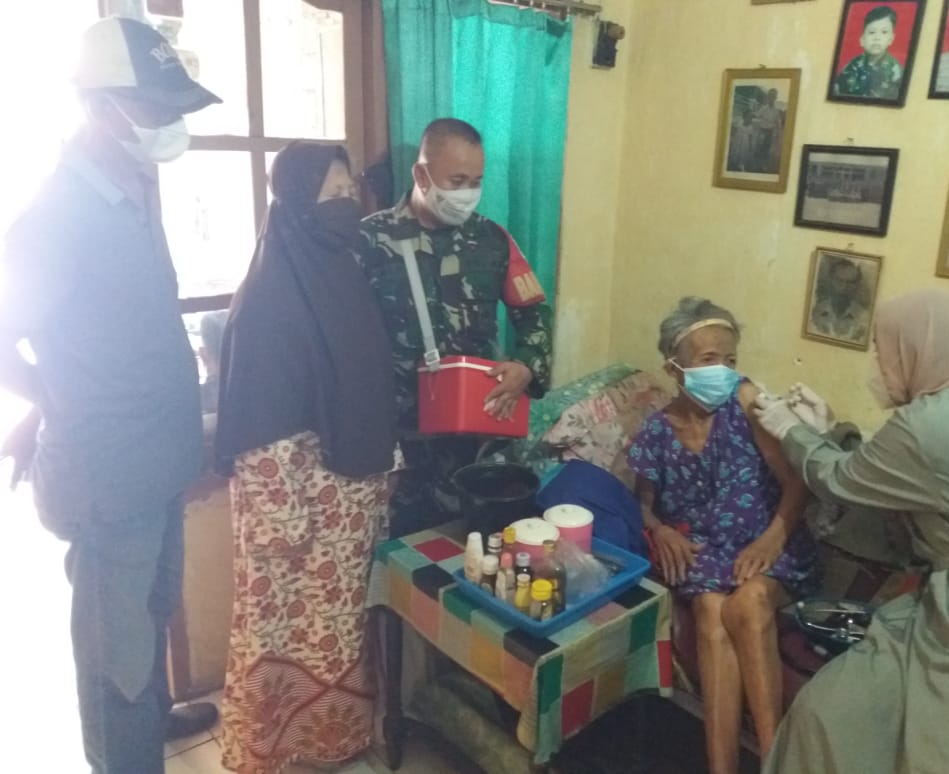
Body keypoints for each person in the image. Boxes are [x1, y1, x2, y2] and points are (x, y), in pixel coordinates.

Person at [0, 16, 219, 773]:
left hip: (158, 461)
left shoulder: (132, 187)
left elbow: (102, 328)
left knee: (151, 613)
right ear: (102, 108)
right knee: (112, 657)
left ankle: (149, 721)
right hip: (108, 477)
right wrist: (54, 400)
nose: (172, 123)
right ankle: (125, 755)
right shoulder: (55, 215)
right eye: (157, 108)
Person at [754, 288, 949, 773]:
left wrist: (790, 429)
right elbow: (917, 485)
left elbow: (837, 479)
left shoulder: (930, 424)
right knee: (829, 711)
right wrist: (826, 433)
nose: (880, 368)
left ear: (921, 349)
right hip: (942, 602)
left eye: (884, 352)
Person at [214, 142, 401, 773]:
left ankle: (332, 742)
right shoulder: (268, 297)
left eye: (350, 193)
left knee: (338, 629)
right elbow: (258, 416)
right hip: (292, 507)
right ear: (298, 205)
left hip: (348, 504)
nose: (348, 206)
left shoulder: (340, 272)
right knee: (280, 628)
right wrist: (284, 517)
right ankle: (270, 748)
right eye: (333, 195)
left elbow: (367, 380)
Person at [627, 297, 818, 774]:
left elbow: (798, 481)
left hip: (768, 544)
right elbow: (642, 503)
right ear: (673, 368)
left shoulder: (746, 403)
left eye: (730, 359)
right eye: (708, 359)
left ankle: (775, 760)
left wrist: (772, 538)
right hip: (707, 555)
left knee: (750, 602)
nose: (724, 371)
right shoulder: (656, 433)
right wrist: (660, 529)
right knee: (711, 610)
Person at [359, 118, 552, 533]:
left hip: (477, 438)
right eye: (457, 180)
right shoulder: (370, 242)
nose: (467, 193)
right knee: (402, 556)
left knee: (479, 547)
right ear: (421, 175)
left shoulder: (492, 240)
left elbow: (534, 312)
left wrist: (526, 365)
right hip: (400, 445)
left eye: (476, 181)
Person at [833, 6, 904, 100]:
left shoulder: (896, 72)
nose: (877, 38)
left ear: (891, 39)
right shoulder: (851, 66)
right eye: (872, 32)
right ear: (862, 40)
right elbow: (837, 93)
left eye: (884, 32)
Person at [809, 257, 870, 343]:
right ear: (831, 280)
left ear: (857, 286)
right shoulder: (814, 312)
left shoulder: (865, 318)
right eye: (839, 280)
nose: (844, 287)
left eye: (850, 282)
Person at [751, 88, 782, 173]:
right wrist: (751, 114)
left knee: (766, 150)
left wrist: (778, 133)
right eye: (770, 96)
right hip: (761, 131)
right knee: (758, 148)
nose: (771, 98)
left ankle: (763, 166)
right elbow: (756, 116)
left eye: (773, 96)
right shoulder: (763, 108)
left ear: (775, 98)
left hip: (770, 133)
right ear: (768, 97)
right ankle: (755, 166)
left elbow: (778, 123)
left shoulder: (776, 111)